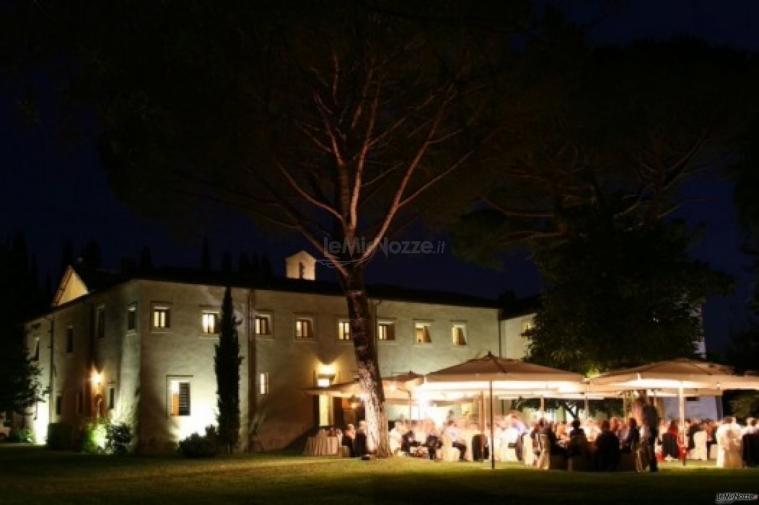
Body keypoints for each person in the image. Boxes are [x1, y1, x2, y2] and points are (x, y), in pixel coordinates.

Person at [641, 399, 660, 472]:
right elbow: (656, 420)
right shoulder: (653, 409)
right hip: (652, 430)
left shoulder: (646, 410)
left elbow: (644, 420)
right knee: (650, 449)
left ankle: (652, 466)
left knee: (649, 449)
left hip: (649, 430)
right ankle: (653, 466)